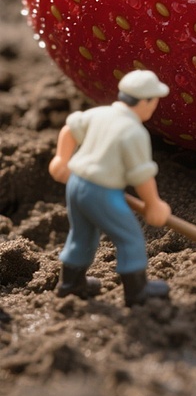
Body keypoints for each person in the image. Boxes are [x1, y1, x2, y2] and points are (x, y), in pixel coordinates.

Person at [49, 69, 172, 307]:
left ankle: (70, 284)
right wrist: (153, 204)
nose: (155, 106)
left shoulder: (100, 113)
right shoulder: (134, 132)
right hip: (102, 192)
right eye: (155, 101)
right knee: (130, 239)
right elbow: (142, 176)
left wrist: (61, 160)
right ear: (145, 101)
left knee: (81, 235)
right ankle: (137, 292)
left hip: (76, 184)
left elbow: (69, 130)